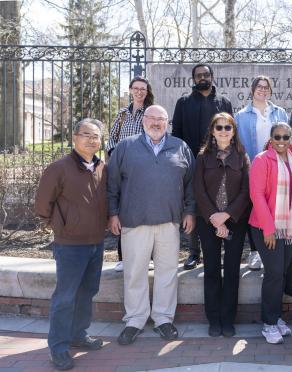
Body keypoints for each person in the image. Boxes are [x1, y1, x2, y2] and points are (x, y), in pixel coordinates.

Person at [107, 105, 196, 346]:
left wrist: (190, 211)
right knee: (135, 272)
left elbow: (190, 184)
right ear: (143, 120)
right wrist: (113, 214)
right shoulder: (126, 146)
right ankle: (135, 319)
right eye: (152, 118)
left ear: (167, 123)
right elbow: (112, 183)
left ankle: (163, 318)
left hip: (169, 222)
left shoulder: (180, 146)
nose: (156, 123)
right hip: (135, 222)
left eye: (161, 119)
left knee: (167, 272)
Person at [35, 118, 107, 370]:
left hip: (96, 243)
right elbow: (43, 204)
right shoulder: (59, 168)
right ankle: (59, 347)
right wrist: (60, 225)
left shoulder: (101, 167)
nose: (91, 140)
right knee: (65, 297)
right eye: (86, 134)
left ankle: (78, 334)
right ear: (74, 138)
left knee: (87, 292)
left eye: (96, 136)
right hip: (69, 246)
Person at [193, 113, 251, 337]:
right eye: (219, 128)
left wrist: (227, 215)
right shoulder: (202, 157)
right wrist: (214, 217)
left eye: (228, 127)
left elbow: (246, 191)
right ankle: (214, 319)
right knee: (212, 270)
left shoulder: (242, 156)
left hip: (235, 221)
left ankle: (228, 319)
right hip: (208, 221)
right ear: (213, 131)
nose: (224, 131)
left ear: (234, 131)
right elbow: (198, 189)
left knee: (232, 270)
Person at [249, 122, 292, 344]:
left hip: (290, 227)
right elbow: (257, 195)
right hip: (266, 227)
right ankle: (269, 323)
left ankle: (276, 316)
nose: (281, 141)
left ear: (290, 138)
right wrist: (269, 229)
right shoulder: (262, 159)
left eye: (285, 137)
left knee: (282, 273)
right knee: (274, 273)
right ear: (271, 138)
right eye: (277, 137)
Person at [172, 63, 233, 270]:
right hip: (191, 162)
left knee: (219, 203)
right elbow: (177, 135)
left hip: (218, 163)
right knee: (194, 205)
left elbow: (230, 132)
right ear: (193, 79)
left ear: (212, 77)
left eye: (206, 74)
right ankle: (193, 252)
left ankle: (222, 250)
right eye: (198, 75)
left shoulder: (224, 102)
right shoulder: (183, 103)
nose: (202, 78)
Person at [235, 75, 288, 271]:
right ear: (252, 89)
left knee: (275, 206)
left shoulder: (280, 112)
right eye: (259, 86)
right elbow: (238, 145)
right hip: (254, 168)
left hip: (277, 168)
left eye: (266, 87)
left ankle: (276, 247)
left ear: (270, 91)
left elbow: (288, 139)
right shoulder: (241, 116)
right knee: (255, 208)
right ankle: (256, 252)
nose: (263, 90)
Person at [106, 76, 154, 272]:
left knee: (146, 211)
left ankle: (148, 257)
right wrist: (115, 158)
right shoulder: (123, 114)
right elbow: (111, 140)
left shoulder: (150, 113)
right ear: (131, 90)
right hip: (123, 168)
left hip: (143, 168)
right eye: (136, 88)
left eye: (143, 89)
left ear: (147, 91)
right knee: (124, 211)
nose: (139, 92)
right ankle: (123, 256)